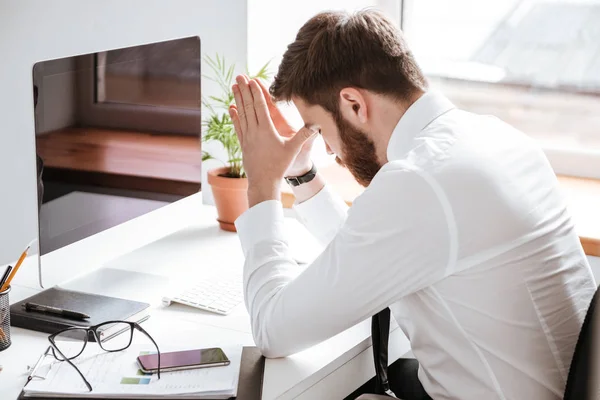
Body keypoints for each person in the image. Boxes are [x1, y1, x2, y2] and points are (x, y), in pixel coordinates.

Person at [228, 9, 597, 400]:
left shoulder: (420, 182)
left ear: (353, 104)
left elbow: (272, 331)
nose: (329, 151)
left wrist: (262, 182)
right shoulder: (492, 137)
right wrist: (300, 172)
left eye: (319, 130)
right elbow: (371, 252)